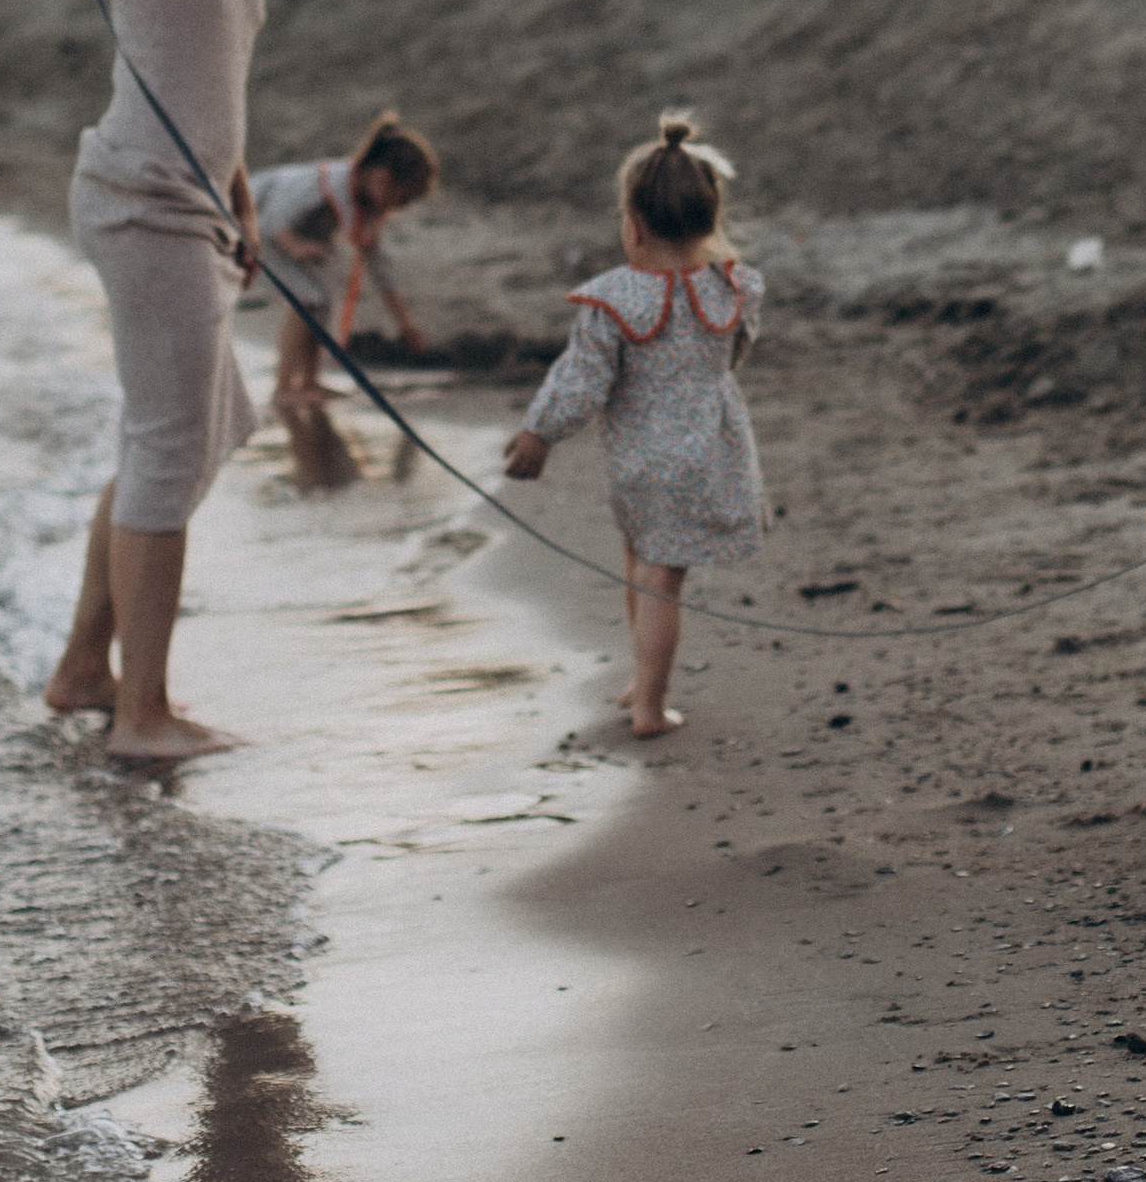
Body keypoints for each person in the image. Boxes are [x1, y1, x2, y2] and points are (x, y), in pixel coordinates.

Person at [14, 0, 348, 764]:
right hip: (139, 202)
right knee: (167, 448)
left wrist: (244, 198)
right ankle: (143, 716)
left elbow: (212, 79)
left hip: (200, 207)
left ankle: (80, 672)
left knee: (204, 430)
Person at [503, 114, 764, 738]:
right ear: (711, 221)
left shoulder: (614, 299)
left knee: (647, 570)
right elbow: (737, 350)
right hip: (710, 446)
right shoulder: (733, 286)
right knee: (657, 571)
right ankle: (643, 683)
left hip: (639, 456)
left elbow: (581, 379)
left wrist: (539, 433)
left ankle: (648, 703)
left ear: (634, 224)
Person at [251, 116, 440, 408]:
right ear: (382, 178)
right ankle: (283, 387)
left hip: (299, 235)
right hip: (257, 224)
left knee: (322, 300)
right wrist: (296, 246)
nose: (399, 209)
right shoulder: (323, 181)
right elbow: (272, 219)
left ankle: (309, 380)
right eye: (402, 200)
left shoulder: (370, 204)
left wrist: (405, 323)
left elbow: (380, 267)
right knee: (307, 298)